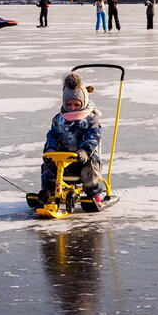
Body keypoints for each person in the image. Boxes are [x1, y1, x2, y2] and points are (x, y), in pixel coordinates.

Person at [39, 72, 108, 212]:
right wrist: (50, 150)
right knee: (48, 166)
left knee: (90, 170)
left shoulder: (90, 119)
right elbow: (52, 135)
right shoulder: (59, 119)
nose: (72, 108)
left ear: (83, 103)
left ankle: (94, 194)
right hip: (63, 158)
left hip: (83, 157)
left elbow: (94, 136)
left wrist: (84, 150)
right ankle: (49, 193)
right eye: (69, 104)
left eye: (76, 105)